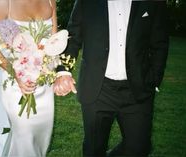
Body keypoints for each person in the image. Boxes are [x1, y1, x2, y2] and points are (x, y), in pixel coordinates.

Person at [54, 0, 169, 156]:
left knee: (139, 148)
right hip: (98, 90)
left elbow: (159, 41)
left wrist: (154, 79)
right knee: (94, 149)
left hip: (137, 90)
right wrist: (63, 71)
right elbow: (74, 37)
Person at [0, 0, 57, 156]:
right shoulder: (3, 2)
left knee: (42, 137)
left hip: (43, 83)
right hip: (16, 82)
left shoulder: (51, 1)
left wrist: (48, 68)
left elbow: (54, 40)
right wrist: (15, 71)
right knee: (24, 136)